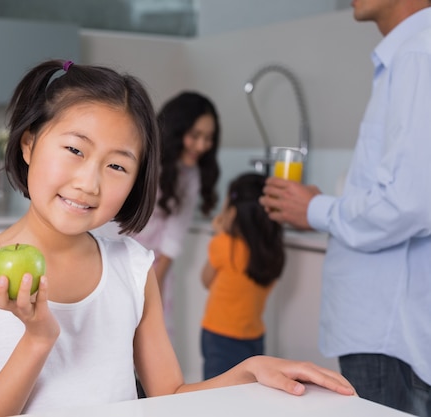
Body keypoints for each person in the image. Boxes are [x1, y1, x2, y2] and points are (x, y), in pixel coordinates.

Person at [0, 59, 354, 417]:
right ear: (29, 145)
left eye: (117, 166)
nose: (89, 183)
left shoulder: (132, 265)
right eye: (75, 149)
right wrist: (37, 338)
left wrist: (249, 370)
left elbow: (170, 395)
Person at [259, 2, 431, 415]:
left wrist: (315, 209)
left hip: (389, 339)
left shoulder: (418, 54)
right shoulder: (409, 53)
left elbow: (411, 203)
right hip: (387, 335)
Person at [131, 91, 221, 336]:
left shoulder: (190, 176)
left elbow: (174, 234)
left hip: (155, 266)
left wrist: (155, 283)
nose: (202, 146)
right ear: (176, 131)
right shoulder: (142, 159)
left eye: (208, 138)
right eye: (195, 136)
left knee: (149, 338)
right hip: (118, 254)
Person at [201, 172, 285, 380]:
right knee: (249, 394)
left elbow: (205, 280)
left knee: (216, 398)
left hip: (219, 336)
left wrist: (220, 231)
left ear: (232, 211)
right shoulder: (273, 252)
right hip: (254, 337)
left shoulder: (223, 244)